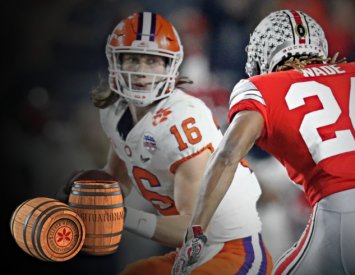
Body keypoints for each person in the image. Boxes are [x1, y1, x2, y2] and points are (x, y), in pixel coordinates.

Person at [173, 9, 355, 275]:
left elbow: (227, 156)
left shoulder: (263, 87)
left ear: (264, 52)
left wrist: (196, 231)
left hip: (343, 213)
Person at [57, 11, 272, 275]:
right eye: (133, 59)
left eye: (152, 61)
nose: (142, 71)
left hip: (230, 248)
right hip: (190, 253)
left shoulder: (181, 121)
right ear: (116, 62)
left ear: (170, 66)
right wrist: (85, 193)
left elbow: (192, 228)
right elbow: (117, 179)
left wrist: (119, 215)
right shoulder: (114, 111)